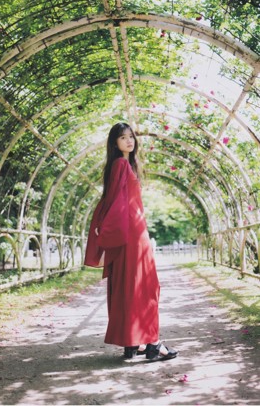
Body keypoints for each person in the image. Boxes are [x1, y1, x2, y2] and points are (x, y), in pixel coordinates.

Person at [84, 122, 178, 361]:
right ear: (114, 142)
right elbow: (115, 202)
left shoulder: (124, 165)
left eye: (131, 137)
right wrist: (109, 233)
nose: (129, 141)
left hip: (133, 234)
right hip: (132, 236)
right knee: (144, 288)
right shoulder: (121, 165)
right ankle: (152, 343)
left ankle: (134, 343)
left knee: (131, 287)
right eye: (123, 137)